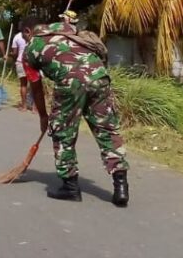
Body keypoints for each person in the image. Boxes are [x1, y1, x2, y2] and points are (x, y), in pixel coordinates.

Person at [21, 15, 129, 207]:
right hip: (99, 77)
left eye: (24, 35)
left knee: (63, 133)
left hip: (70, 83)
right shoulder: (65, 28)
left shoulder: (30, 49)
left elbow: (35, 87)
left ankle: (70, 187)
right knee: (107, 130)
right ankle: (121, 186)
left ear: (28, 32)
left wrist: (44, 116)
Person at [11, 24, 30, 111]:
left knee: (23, 84)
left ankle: (24, 106)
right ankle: (35, 108)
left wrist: (13, 60)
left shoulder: (17, 37)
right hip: (32, 62)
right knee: (36, 86)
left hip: (20, 61)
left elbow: (14, 52)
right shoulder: (35, 35)